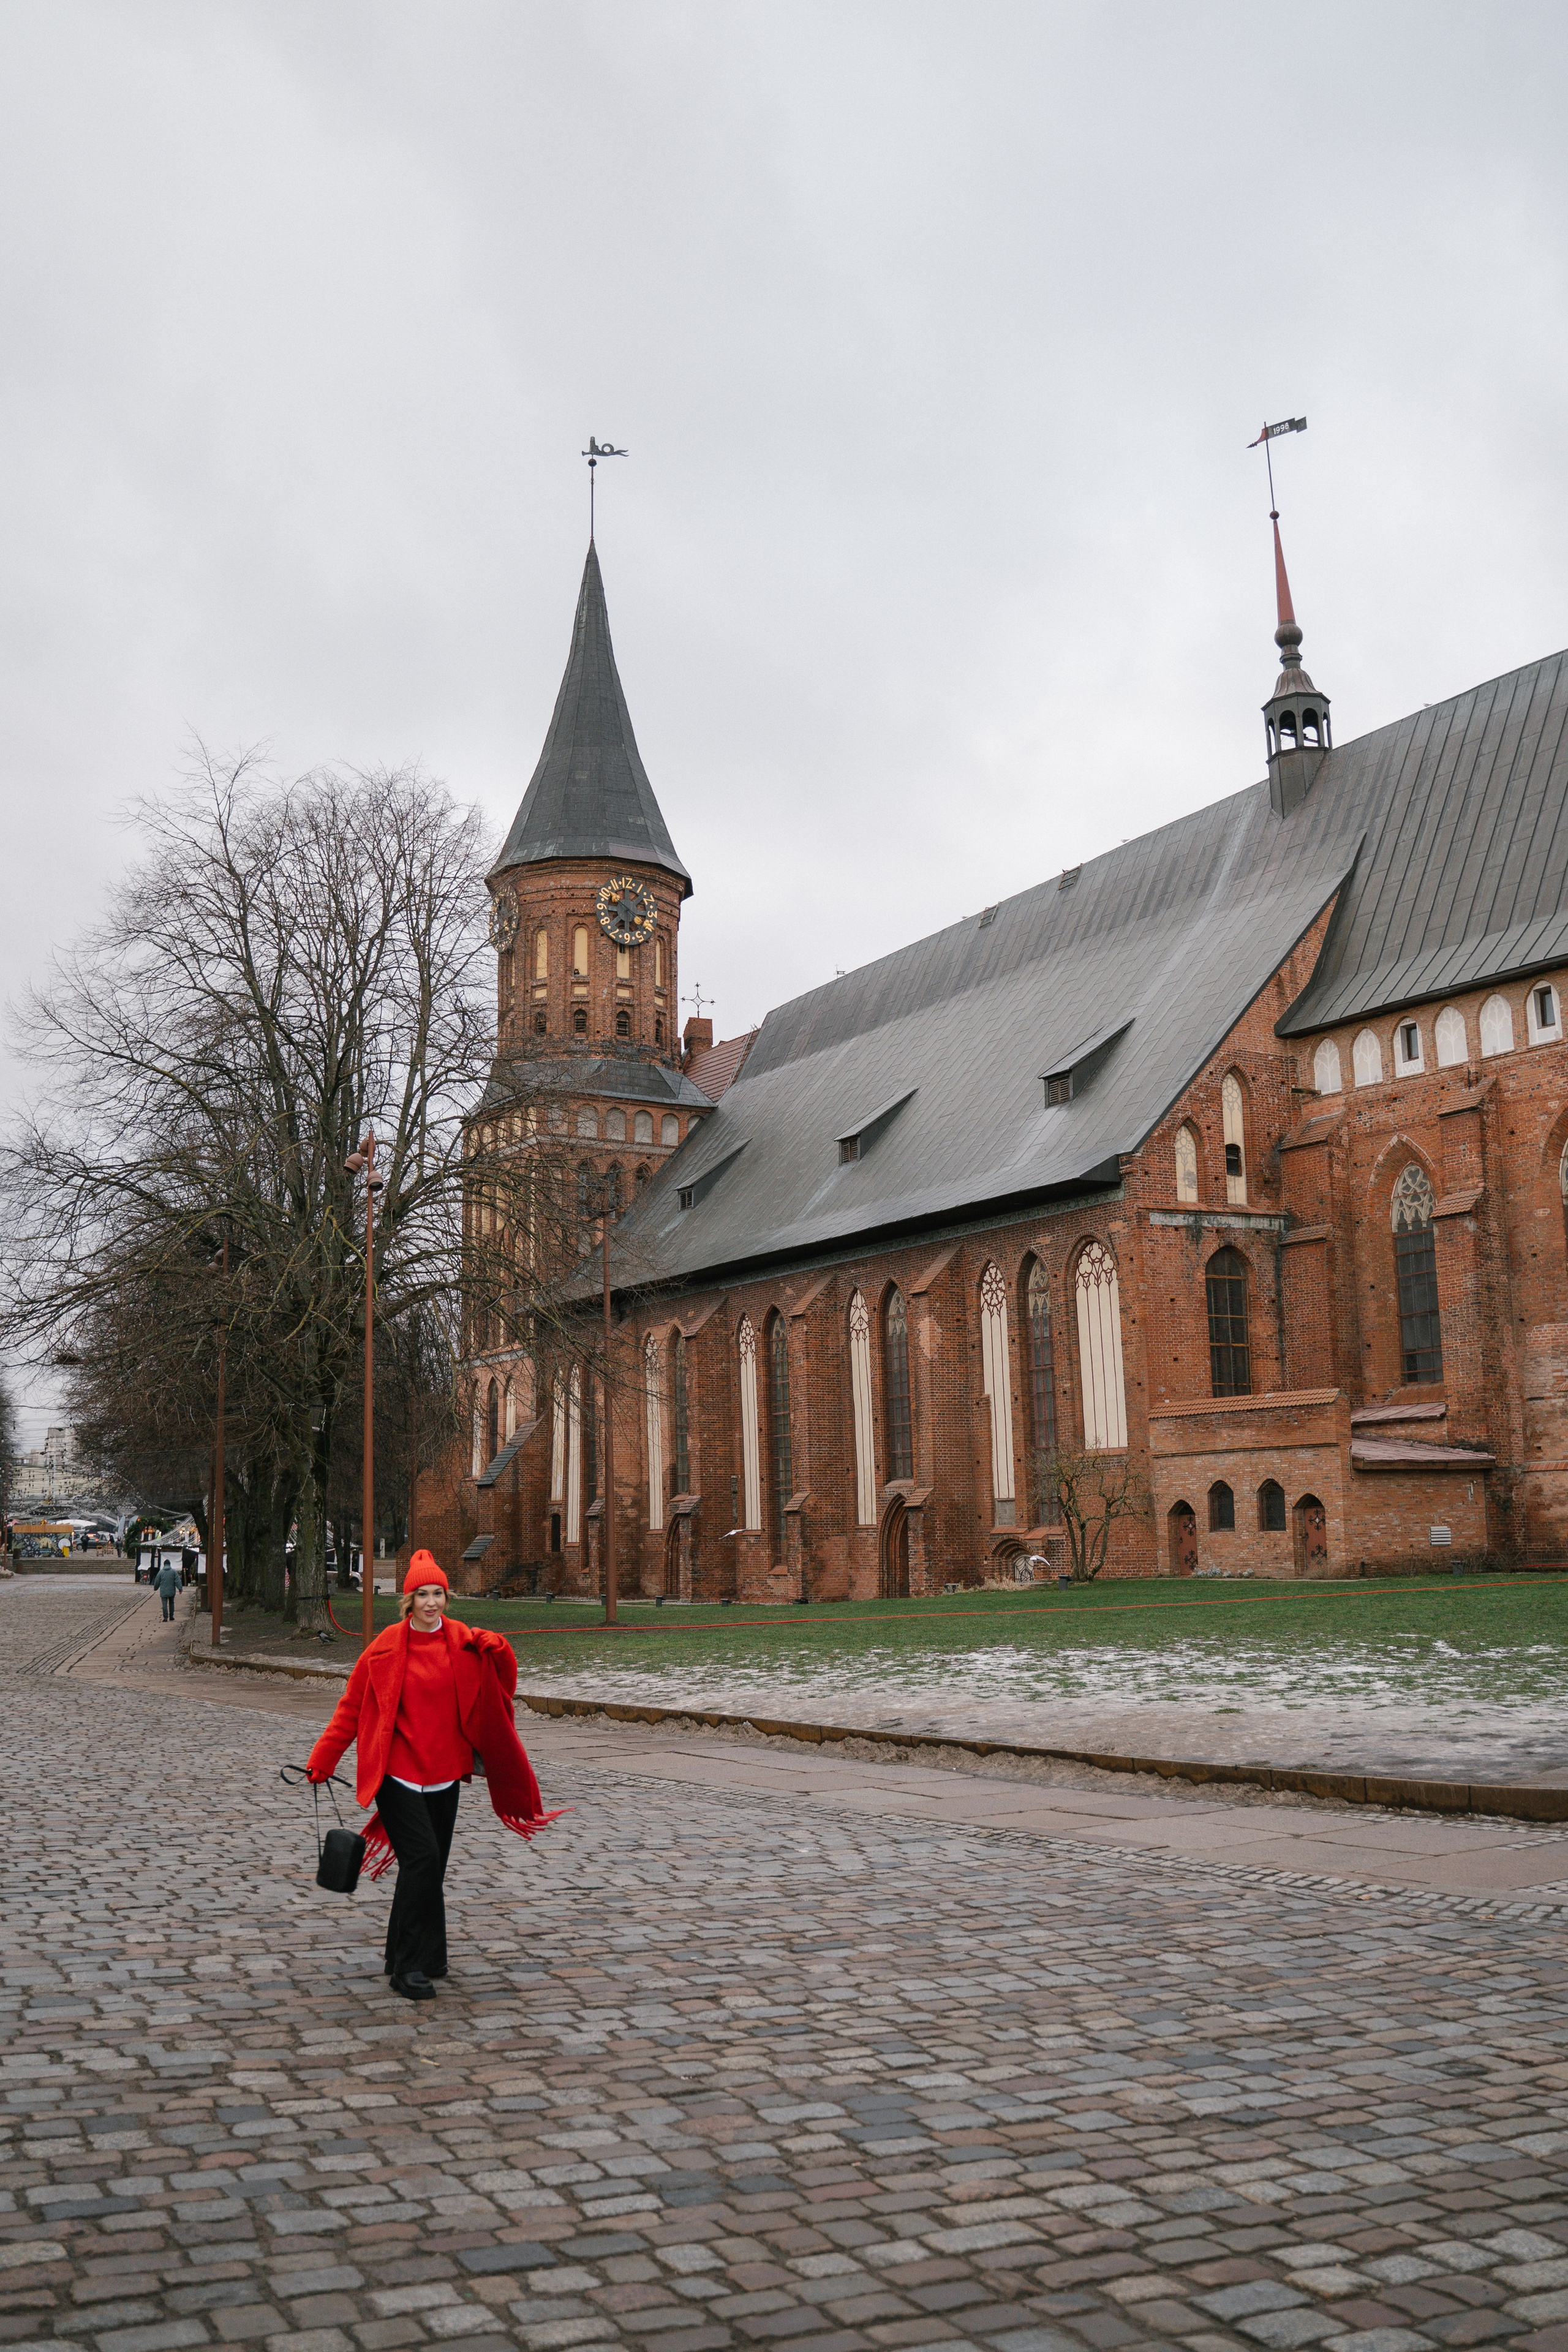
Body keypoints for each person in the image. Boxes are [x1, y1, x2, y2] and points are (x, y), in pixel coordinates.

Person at [305, 1551, 561, 2001]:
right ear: (408, 1600)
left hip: (445, 1774)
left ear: (447, 1596)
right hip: (397, 1775)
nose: (430, 1602)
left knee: (430, 1868)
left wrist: (501, 1651)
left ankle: (424, 1952)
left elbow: (502, 1687)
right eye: (422, 1594)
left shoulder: (464, 1641)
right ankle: (407, 1968)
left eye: (438, 1593)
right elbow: (352, 1706)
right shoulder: (385, 1645)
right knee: (422, 1861)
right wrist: (324, 1757)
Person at [153, 1555, 181, 1622]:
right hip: (172, 1591)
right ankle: (171, 1616)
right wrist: (180, 1589)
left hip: (163, 1591)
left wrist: (155, 1588)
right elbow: (178, 1581)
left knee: (164, 1604)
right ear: (170, 1564)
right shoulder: (174, 1572)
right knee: (172, 1603)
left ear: (164, 1564)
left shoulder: (161, 1572)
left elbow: (157, 1581)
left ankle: (165, 1617)